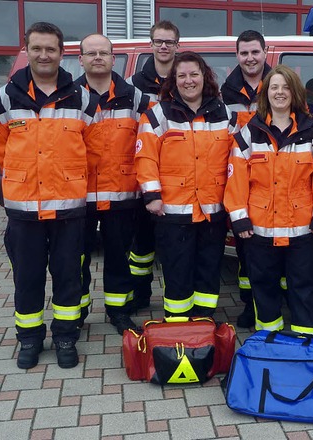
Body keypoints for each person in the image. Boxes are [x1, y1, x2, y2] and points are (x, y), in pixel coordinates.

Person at [0, 22, 101, 369]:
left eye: (51, 49)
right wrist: (22, 171)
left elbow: (92, 148)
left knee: (68, 277)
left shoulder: (82, 98)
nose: (44, 55)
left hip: (68, 210)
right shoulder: (3, 98)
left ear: (62, 53)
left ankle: (65, 337)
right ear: (27, 50)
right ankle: (30, 339)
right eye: (37, 48)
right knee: (27, 277)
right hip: (23, 210)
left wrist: (67, 174)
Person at [224, 65, 313, 337]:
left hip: (302, 230)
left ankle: (306, 343)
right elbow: (236, 178)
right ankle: (268, 341)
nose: (280, 92)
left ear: (295, 92)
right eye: (274, 87)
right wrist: (239, 219)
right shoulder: (249, 133)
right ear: (266, 94)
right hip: (260, 229)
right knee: (263, 288)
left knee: (304, 288)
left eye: (285, 87)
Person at [135, 51, 235, 318]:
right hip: (173, 211)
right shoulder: (158, 115)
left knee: (208, 270)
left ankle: (203, 322)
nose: (188, 81)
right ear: (173, 80)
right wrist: (152, 195)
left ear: (205, 77)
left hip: (212, 211)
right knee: (177, 272)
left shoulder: (224, 114)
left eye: (194, 74)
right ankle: (177, 324)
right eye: (182, 76)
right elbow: (145, 157)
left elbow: (236, 162)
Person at [75, 33, 150, 335]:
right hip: (77, 195)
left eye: (103, 52)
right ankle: (75, 313)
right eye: (90, 53)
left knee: (119, 257)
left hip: (121, 194)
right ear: (80, 59)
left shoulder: (136, 98)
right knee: (75, 258)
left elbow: (147, 144)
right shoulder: (67, 96)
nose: (97, 58)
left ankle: (118, 311)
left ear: (113, 58)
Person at [220, 30, 273, 329]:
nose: (250, 58)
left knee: (275, 251)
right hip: (241, 184)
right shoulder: (225, 92)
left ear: (265, 52)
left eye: (255, 52)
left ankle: (272, 303)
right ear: (237, 56)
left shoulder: (280, 85)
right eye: (244, 53)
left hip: (274, 181)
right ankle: (249, 304)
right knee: (245, 250)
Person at [127, 20, 180, 310]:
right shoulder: (135, 84)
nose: (163, 46)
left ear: (177, 46)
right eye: (159, 41)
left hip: (178, 174)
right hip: (145, 173)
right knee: (142, 243)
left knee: (174, 243)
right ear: (151, 44)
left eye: (169, 42)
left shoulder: (185, 77)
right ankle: (141, 294)